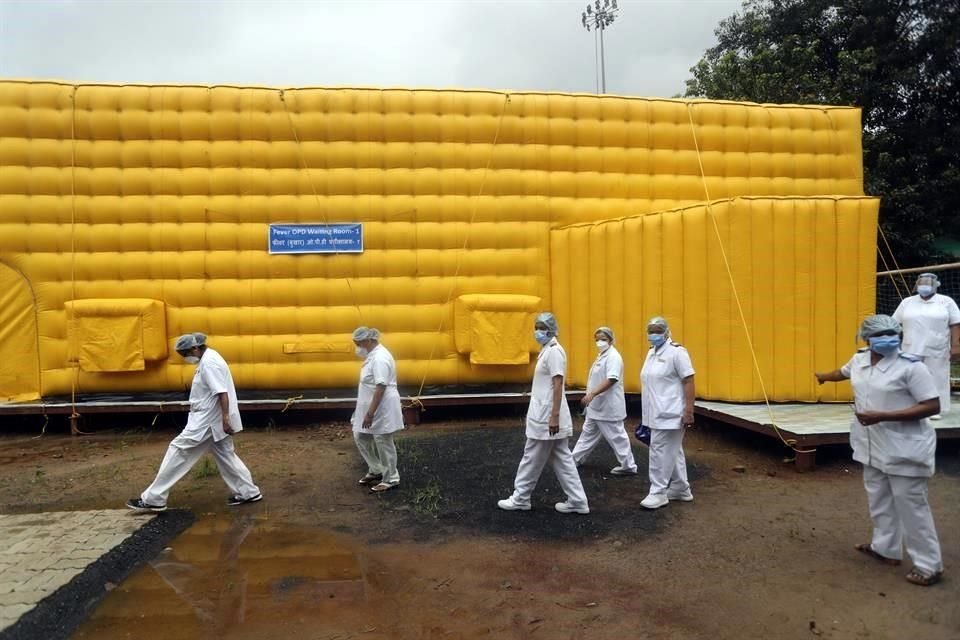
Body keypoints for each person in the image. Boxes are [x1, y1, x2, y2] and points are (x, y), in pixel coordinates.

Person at [815, 314, 943, 586]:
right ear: (866, 339)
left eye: (892, 333)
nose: (888, 338)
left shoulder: (911, 367)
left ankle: (929, 565)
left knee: (912, 506)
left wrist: (884, 415)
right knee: (879, 497)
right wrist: (823, 377)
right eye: (880, 334)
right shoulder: (860, 359)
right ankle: (885, 548)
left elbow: (932, 406)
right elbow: (844, 372)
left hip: (904, 447)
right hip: (871, 443)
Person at [128, 333, 262, 512]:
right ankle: (248, 492)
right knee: (225, 455)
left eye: (184, 353)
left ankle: (154, 498)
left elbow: (221, 392)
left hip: (206, 420)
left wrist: (225, 418)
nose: (185, 358)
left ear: (195, 348)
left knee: (178, 450)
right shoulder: (209, 358)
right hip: (209, 419)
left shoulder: (209, 363)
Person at [498, 312, 589, 514]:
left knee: (531, 456)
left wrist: (554, 415)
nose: (538, 331)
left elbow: (558, 384)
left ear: (552, 329)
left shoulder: (555, 351)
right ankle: (578, 501)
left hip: (547, 417)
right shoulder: (548, 350)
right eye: (536, 327)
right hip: (546, 414)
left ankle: (521, 498)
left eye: (542, 327)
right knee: (562, 458)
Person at [639, 316, 695, 509]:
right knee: (673, 450)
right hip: (655, 412)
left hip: (671, 412)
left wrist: (689, 410)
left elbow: (688, 380)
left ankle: (658, 492)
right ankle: (680, 488)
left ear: (666, 332)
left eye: (657, 330)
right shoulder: (651, 353)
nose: (653, 335)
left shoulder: (677, 352)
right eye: (650, 331)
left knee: (659, 450)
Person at [892, 272, 960, 419]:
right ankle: (911, 406)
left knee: (937, 376)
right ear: (917, 285)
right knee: (910, 376)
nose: (924, 287)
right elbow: (894, 323)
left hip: (937, 346)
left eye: (928, 284)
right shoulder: (907, 302)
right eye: (921, 284)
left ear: (936, 285)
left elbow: (955, 323)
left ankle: (935, 409)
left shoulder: (946, 301)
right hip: (910, 346)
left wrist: (956, 345)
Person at [571, 326, 637, 475]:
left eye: (604, 339)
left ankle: (628, 466)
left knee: (617, 437)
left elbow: (612, 379)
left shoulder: (613, 357)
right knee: (587, 434)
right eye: (598, 339)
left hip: (607, 407)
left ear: (611, 340)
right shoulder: (602, 355)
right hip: (596, 407)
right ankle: (573, 460)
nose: (600, 342)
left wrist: (592, 394)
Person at [351, 326, 404, 493]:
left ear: (369, 340)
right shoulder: (372, 355)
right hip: (369, 405)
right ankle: (376, 469)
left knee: (383, 440)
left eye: (358, 344)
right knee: (360, 435)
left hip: (382, 406)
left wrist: (370, 414)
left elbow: (380, 388)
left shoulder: (380, 358)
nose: (357, 348)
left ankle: (391, 478)